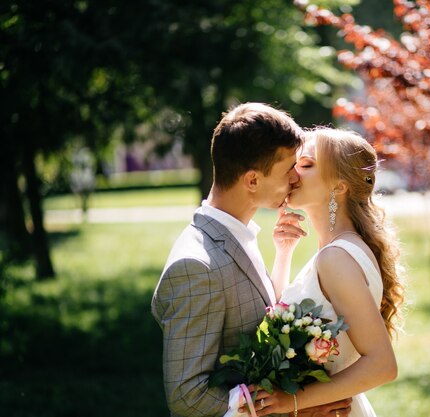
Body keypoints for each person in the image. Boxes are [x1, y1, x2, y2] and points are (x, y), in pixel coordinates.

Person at [151, 103, 352, 417]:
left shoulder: (236, 235)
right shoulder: (196, 267)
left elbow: (254, 319)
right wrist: (292, 411)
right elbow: (187, 397)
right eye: (288, 169)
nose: (296, 178)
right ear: (252, 181)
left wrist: (283, 252)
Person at [248, 127, 405, 417]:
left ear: (340, 186)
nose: (293, 173)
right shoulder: (335, 251)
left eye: (306, 165)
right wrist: (284, 252)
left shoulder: (336, 258)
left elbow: (383, 365)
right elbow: (278, 315)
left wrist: (292, 401)